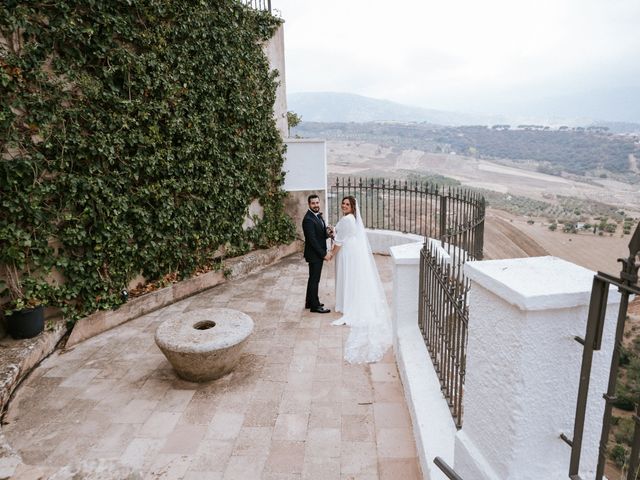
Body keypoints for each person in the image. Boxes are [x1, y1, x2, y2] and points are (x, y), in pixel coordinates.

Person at [326, 196, 392, 363]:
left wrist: (331, 254)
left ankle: (347, 304)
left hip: (347, 252)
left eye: (347, 204)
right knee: (352, 278)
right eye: (343, 203)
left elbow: (339, 241)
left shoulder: (348, 219)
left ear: (353, 207)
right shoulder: (351, 219)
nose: (344, 205)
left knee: (347, 277)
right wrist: (334, 230)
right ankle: (348, 301)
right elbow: (341, 233)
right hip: (352, 249)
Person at [302, 194, 331, 313]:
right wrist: (323, 254)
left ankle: (309, 302)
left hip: (316, 254)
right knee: (315, 280)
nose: (315, 205)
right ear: (309, 204)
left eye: (317, 203)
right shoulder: (308, 219)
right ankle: (315, 306)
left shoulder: (317, 216)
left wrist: (329, 233)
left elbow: (321, 234)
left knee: (313, 278)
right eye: (313, 203)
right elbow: (312, 240)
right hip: (314, 255)